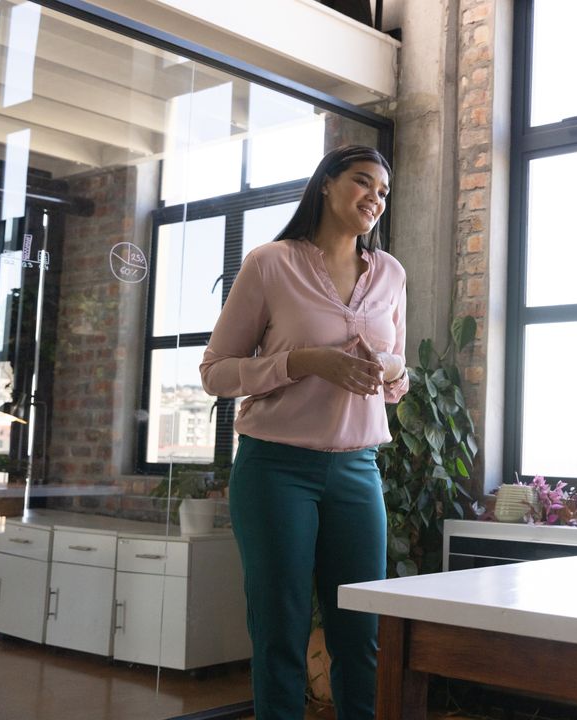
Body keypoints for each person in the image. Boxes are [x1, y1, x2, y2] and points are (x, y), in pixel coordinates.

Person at [200, 144, 408, 720]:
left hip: (358, 471)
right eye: (363, 182)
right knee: (280, 634)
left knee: (361, 636)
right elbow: (215, 372)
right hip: (276, 469)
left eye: (383, 192)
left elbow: (399, 375)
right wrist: (304, 362)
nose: (375, 198)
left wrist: (389, 368)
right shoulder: (272, 263)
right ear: (326, 184)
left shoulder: (391, 273)